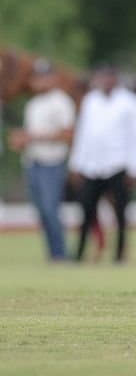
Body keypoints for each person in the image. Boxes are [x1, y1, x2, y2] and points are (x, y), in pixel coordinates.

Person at [69, 64, 136, 263]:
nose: (104, 81)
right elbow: (83, 134)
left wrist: (135, 168)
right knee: (87, 210)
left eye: (108, 77)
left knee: (120, 212)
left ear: (115, 79)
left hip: (118, 164)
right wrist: (77, 163)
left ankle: (119, 254)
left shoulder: (130, 103)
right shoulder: (91, 101)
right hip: (93, 166)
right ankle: (79, 254)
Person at [7, 58, 76, 262]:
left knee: (50, 208)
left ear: (53, 78)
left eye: (45, 76)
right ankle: (53, 253)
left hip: (52, 162)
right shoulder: (33, 104)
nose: (40, 81)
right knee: (41, 211)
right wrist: (21, 140)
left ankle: (61, 253)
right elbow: (32, 134)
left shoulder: (61, 102)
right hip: (33, 162)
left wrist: (33, 137)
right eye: (37, 77)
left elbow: (68, 134)